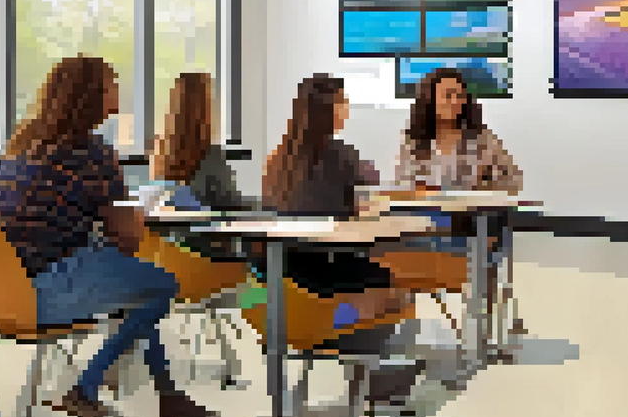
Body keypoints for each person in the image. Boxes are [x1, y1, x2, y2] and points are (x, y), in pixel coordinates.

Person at [0, 56, 216, 417]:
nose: (117, 97)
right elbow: (128, 239)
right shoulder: (92, 153)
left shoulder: (21, 146)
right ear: (90, 97)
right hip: (42, 291)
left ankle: (168, 395)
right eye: (112, 87)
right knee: (161, 286)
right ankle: (84, 389)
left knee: (135, 291)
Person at [261, 74, 409, 329]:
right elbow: (367, 199)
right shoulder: (342, 156)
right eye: (343, 100)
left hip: (282, 279)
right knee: (396, 288)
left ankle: (330, 325)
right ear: (329, 109)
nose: (347, 106)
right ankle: (342, 330)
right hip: (329, 271)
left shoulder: (278, 159)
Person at [394, 67, 522, 255]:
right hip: (427, 216)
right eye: (448, 95)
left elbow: (513, 179)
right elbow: (404, 184)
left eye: (459, 96)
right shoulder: (413, 140)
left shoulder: (482, 139)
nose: (455, 102)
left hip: (470, 218)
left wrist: (483, 186)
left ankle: (472, 275)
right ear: (430, 100)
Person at [147, 73, 250, 213]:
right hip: (205, 231)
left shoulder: (160, 151)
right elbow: (230, 203)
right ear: (205, 108)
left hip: (169, 233)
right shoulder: (211, 155)